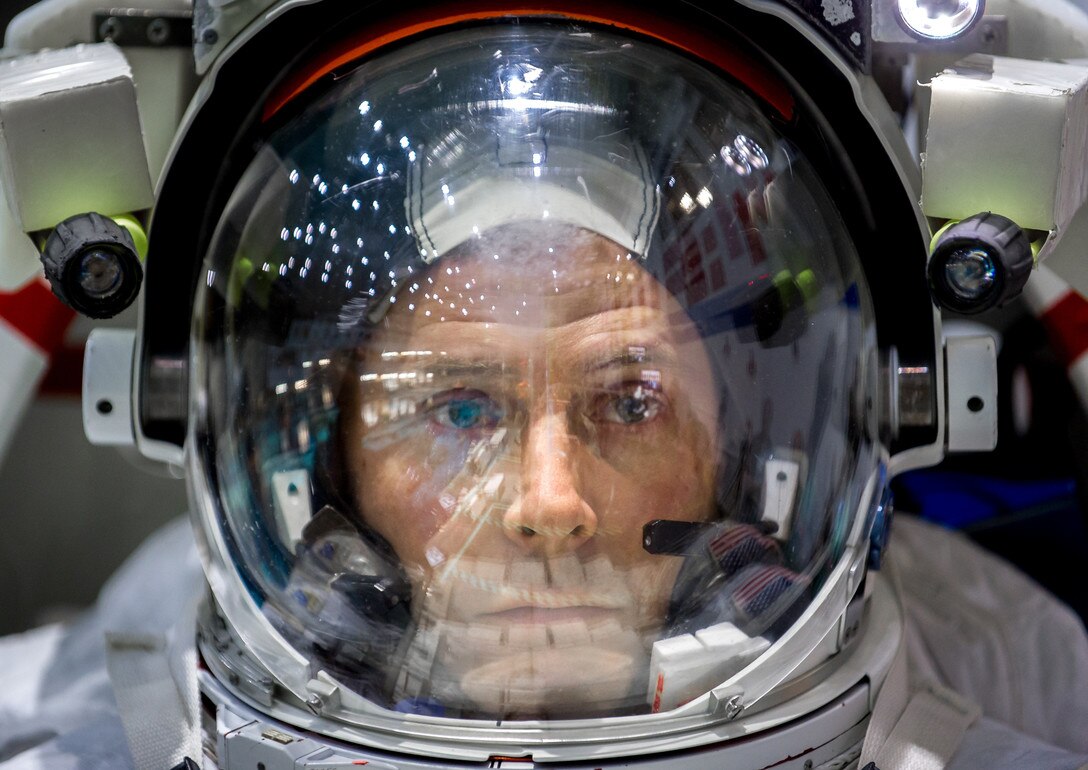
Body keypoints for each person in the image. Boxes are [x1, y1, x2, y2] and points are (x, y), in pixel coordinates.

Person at [2, 2, 1088, 769]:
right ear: (326, 465)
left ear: (742, 459)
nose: (547, 503)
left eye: (628, 400)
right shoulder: (72, 721)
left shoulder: (1012, 668)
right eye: (461, 406)